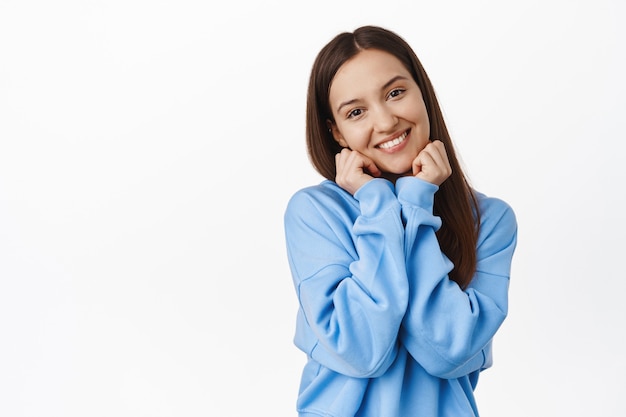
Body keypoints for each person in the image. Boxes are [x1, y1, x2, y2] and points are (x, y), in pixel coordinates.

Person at [283, 25, 517, 417]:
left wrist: (416, 201)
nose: (387, 121)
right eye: (356, 112)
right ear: (336, 132)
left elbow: (447, 350)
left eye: (395, 93)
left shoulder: (490, 221)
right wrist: (378, 205)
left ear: (422, 92)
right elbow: (362, 351)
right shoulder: (314, 214)